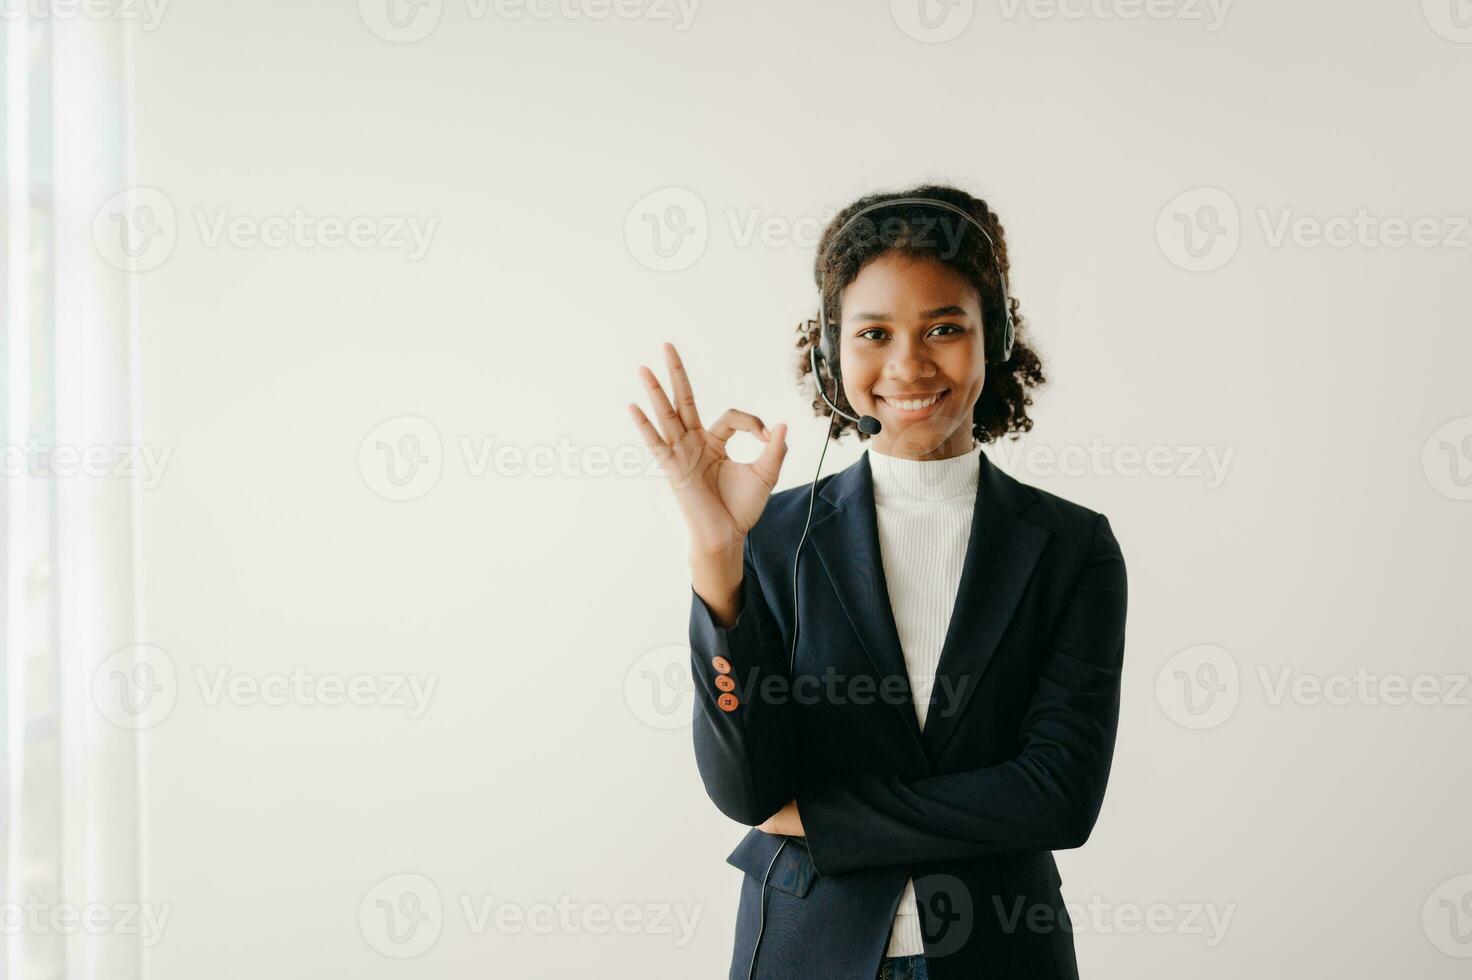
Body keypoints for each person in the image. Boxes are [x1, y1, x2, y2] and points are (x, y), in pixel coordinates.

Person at [628, 186, 1128, 979]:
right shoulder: (775, 535)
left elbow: (1059, 795)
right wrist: (718, 556)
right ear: (831, 351)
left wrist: (820, 818)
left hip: (1003, 953)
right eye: (874, 333)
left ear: (992, 336)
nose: (909, 364)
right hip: (806, 950)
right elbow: (747, 789)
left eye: (944, 328)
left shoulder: (1072, 547)